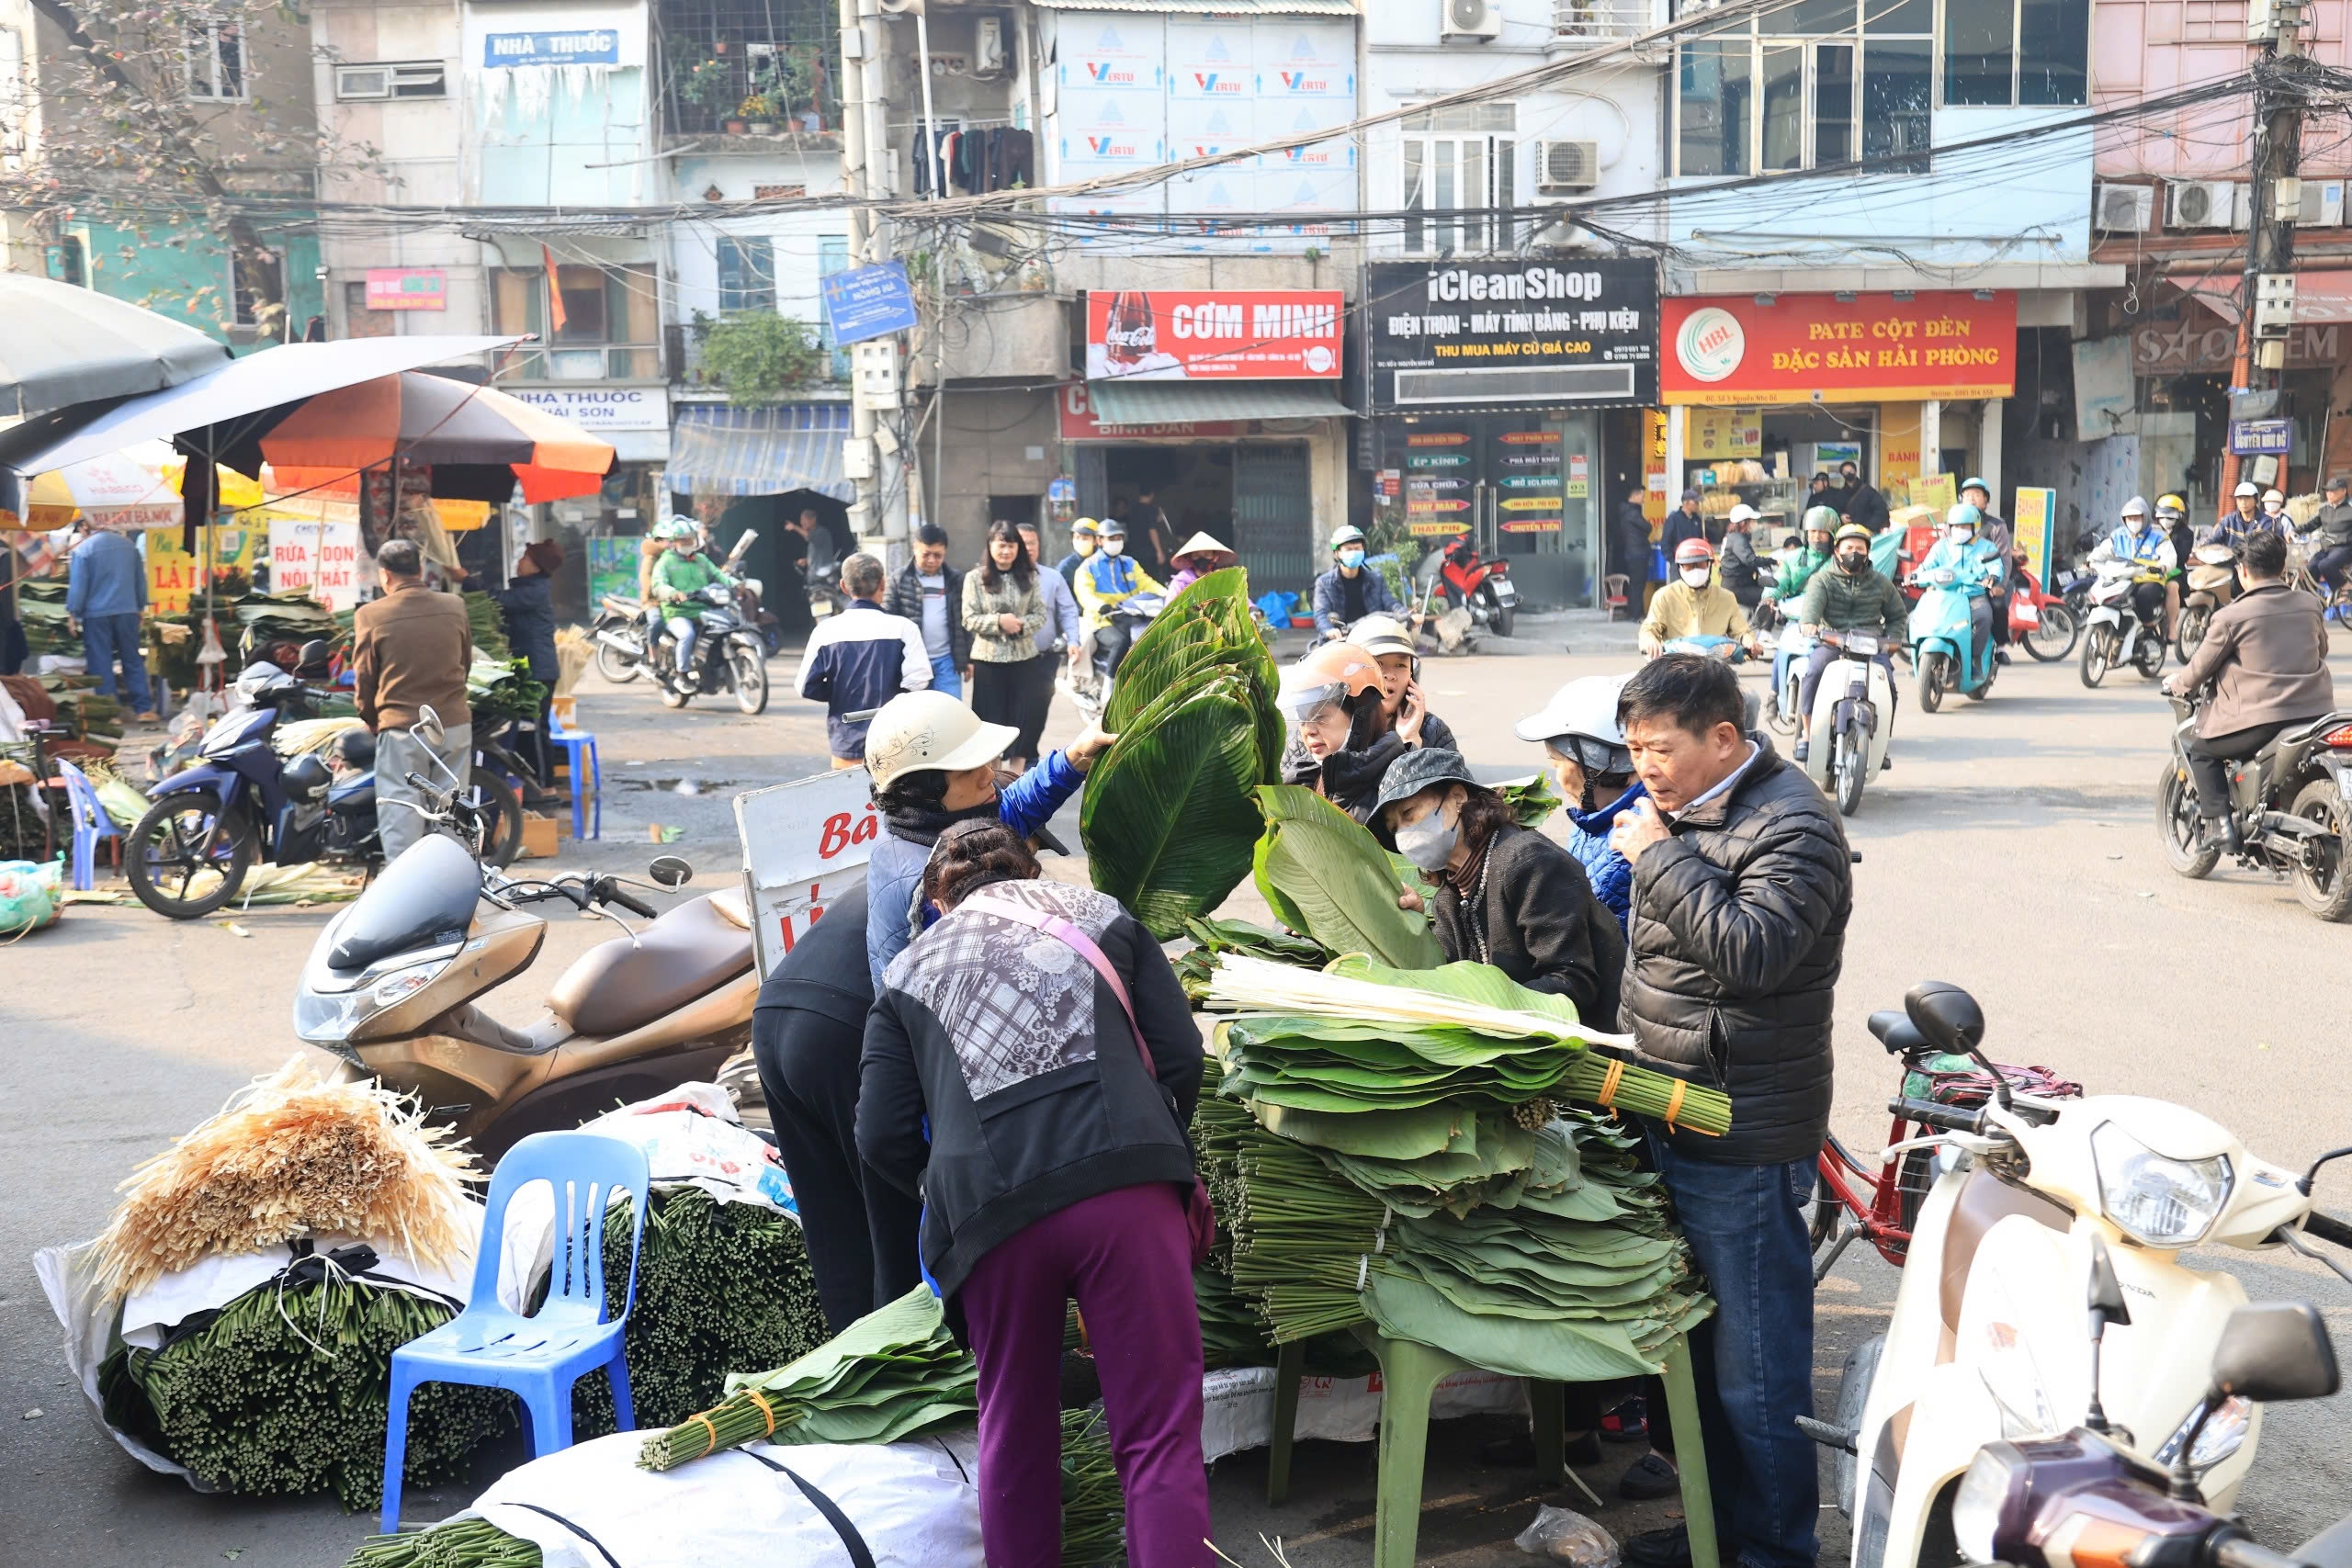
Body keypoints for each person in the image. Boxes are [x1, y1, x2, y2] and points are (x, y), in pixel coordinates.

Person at [858, 820, 1211, 1568]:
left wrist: (942, 1183)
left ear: (938, 900)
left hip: (992, 1216)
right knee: (1157, 1436)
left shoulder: (909, 971)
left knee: (1014, 1431)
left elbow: (880, 1134)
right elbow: (1182, 1056)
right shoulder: (1104, 915)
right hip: (1126, 1187)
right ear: (1029, 870)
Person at [1604, 653, 1851, 1568]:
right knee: (1697, 1360)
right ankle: (1716, 1529)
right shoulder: (1689, 806)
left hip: (1739, 1130)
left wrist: (1658, 856)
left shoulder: (1794, 823)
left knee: (1756, 1374)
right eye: (1633, 749)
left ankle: (1777, 1551)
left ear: (1722, 738)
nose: (1643, 768)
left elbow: (1752, 955)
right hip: (1665, 1110)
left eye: (1657, 748)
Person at [860, 689, 1114, 990]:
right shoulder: (929, 887)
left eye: (985, 761)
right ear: (924, 791)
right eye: (968, 770)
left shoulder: (948, 822)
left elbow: (1016, 805)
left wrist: (1077, 755)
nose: (987, 776)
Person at [751, 885, 921, 1333]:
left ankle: (851, 1369)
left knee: (831, 1219)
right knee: (895, 1221)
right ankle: (901, 1365)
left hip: (774, 1012)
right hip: (845, 1028)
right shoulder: (980, 886)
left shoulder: (904, 858)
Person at [1376, 749, 1623, 1021]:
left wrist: (1487, 1015)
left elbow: (1572, 981)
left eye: (1408, 813)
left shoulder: (1528, 861)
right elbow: (1445, 978)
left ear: (1458, 797)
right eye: (1395, 828)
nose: (1404, 833)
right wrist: (1413, 926)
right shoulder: (1449, 898)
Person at [2162, 530, 2337, 852]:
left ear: (2242, 571)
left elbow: (2199, 668)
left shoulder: (2231, 616)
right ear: (2282, 566)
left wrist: (2178, 683)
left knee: (2200, 750)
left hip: (2262, 722)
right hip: (2318, 716)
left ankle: (2223, 827)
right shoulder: (2310, 604)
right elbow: (2320, 651)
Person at [353, 538, 473, 863]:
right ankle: (451, 884)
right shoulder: (454, 606)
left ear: (385, 575)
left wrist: (369, 716)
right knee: (452, 806)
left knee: (401, 807)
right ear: (420, 569)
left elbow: (364, 677)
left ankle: (407, 891)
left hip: (403, 727)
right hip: (453, 723)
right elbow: (466, 661)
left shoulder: (371, 615)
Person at [1515, 675, 1643, 931]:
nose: (1556, 776)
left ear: (1595, 762)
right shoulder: (1593, 819)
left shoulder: (1639, 832)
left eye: (1557, 762)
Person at [794, 552, 931, 767]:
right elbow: (918, 681)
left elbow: (805, 687)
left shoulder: (825, 631)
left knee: (847, 799)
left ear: (843, 586)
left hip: (845, 742)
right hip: (895, 744)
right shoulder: (904, 628)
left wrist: (838, 693)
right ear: (883, 584)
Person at [1792, 524, 1908, 766]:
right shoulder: (1822, 580)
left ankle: (1881, 742)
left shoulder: (1881, 583)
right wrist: (1810, 625)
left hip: (1871, 645)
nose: (1854, 552)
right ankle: (1807, 731)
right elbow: (1811, 610)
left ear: (1868, 552)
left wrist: (1893, 638)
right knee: (1813, 671)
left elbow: (1898, 615)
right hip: (1833, 640)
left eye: (1860, 548)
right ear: (1837, 551)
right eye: (1849, 547)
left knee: (1887, 684)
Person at [1276, 640, 1401, 822]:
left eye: (1320, 716)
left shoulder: (1396, 786)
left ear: (1360, 717)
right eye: (1304, 719)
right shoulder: (1299, 779)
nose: (1308, 730)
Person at [963, 522, 1047, 759]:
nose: (1006, 551)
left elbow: (1040, 614)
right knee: (990, 722)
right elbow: (969, 618)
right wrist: (999, 622)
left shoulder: (1029, 577)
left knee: (1023, 718)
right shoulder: (974, 579)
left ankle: (1016, 776)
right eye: (1001, 545)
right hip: (988, 661)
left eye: (1011, 546)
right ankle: (993, 776)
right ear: (990, 546)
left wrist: (1019, 626)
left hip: (1024, 658)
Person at [482, 540, 562, 788]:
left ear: (537, 567)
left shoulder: (535, 590)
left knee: (536, 729)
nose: (519, 562)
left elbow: (503, 600)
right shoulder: (531, 587)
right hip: (531, 667)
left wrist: (467, 581)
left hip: (538, 670)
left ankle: (544, 785)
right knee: (527, 729)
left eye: (525, 558)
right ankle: (531, 782)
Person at [65, 522, 158, 721]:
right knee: (132, 658)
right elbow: (140, 580)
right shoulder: (128, 546)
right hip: (127, 610)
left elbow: (78, 586)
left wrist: (73, 613)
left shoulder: (84, 549)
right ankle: (143, 710)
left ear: (84, 527)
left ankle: (110, 712)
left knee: (101, 662)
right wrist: (140, 607)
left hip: (96, 614)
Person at [1016, 520, 1083, 769]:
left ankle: (1029, 758)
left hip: (1044, 658)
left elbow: (1068, 610)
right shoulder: (1003, 580)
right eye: (1022, 544)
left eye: (1032, 543)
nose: (1028, 548)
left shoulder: (1053, 577)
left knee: (1038, 710)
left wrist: (1073, 640)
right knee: (1014, 711)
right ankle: (1013, 762)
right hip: (1013, 660)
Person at [1074, 518, 1166, 680]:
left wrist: (1168, 594)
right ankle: (1110, 685)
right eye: (1111, 538)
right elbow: (1085, 594)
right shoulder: (1088, 567)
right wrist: (1102, 606)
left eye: (1119, 538)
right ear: (1099, 540)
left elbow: (1147, 583)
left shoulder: (1130, 563)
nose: (1116, 542)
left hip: (1130, 614)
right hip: (1103, 619)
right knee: (1120, 641)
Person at [1351, 613, 1455, 753]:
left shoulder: (1433, 731)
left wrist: (1411, 741)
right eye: (1378, 663)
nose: (1390, 675)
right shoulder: (1331, 727)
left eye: (1400, 665)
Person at [1917, 504, 2004, 672]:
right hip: (1943, 595)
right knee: (1917, 618)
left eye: (1964, 526)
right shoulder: (1941, 547)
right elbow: (1926, 567)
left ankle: (1972, 658)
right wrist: (1914, 575)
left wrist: (1992, 577)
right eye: (1956, 526)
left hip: (1973, 596)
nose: (1960, 530)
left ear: (1975, 527)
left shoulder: (1986, 547)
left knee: (1984, 617)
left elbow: (1995, 565)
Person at [888, 524, 969, 701]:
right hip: (912, 662)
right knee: (920, 719)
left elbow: (964, 621)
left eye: (938, 555)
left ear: (945, 552)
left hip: (947, 661)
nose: (932, 560)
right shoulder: (898, 580)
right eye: (926, 554)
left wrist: (968, 659)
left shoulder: (955, 580)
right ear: (915, 549)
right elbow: (888, 622)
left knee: (951, 712)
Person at [649, 517, 726, 695]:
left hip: (702, 610)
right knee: (687, 635)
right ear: (674, 542)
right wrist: (673, 594)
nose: (687, 543)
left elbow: (718, 576)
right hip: (677, 613)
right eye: (683, 540)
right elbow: (659, 585)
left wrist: (736, 584)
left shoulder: (701, 559)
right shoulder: (665, 562)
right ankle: (682, 673)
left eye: (690, 539)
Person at [1639, 539, 1750, 659]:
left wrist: (1750, 643)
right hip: (1676, 666)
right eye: (1688, 566)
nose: (1695, 570)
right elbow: (1649, 629)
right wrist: (1651, 641)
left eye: (1701, 565)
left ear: (1710, 565)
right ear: (1679, 568)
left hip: (1715, 666)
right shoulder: (1664, 596)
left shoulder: (1726, 597)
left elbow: (1741, 631)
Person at [2095, 497, 2178, 640]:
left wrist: (2162, 566)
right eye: (2129, 518)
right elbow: (2102, 551)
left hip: (2149, 579)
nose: (2133, 521)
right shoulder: (2118, 535)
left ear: (2144, 517)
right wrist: (2090, 561)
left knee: (2143, 597)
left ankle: (2149, 631)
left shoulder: (2158, 536)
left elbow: (2169, 557)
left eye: (2136, 517)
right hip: (2122, 578)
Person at [1311, 525, 1402, 637]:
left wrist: (1405, 614)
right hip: (1340, 640)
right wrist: (1328, 630)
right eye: (1348, 549)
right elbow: (1321, 614)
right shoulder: (1324, 583)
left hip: (1373, 638)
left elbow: (1391, 603)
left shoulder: (1376, 580)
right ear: (1336, 553)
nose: (1354, 552)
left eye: (1357, 549)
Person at [1959, 478, 2017, 646]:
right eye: (1967, 494)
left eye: (1977, 494)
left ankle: (1999, 647)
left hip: (1985, 582)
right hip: (1957, 582)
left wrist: (1999, 584)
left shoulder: (1996, 526)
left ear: (1986, 501)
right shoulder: (1952, 524)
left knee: (1997, 606)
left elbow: (2004, 559)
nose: (1971, 498)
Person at [2302, 474, 2352, 595]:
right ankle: (2312, 599)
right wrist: (2294, 531)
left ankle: (2345, 587)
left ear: (2343, 491)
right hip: (2326, 549)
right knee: (2310, 568)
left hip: (2344, 548)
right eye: (2328, 491)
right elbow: (2311, 525)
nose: (2329, 494)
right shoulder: (2324, 509)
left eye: (2333, 491)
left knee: (2325, 565)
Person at [1611, 486, 1656, 606]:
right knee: (1638, 584)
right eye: (1642, 496)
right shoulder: (1632, 513)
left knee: (1636, 584)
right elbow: (1648, 527)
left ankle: (1634, 612)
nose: (1644, 499)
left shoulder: (1627, 511)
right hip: (1637, 553)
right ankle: (1635, 614)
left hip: (1633, 552)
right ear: (1635, 496)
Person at [1717, 504, 1765, 608]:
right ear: (1744, 523)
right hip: (1738, 588)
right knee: (1769, 595)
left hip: (1736, 585)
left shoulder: (1733, 537)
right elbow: (1750, 560)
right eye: (1752, 521)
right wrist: (1772, 561)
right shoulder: (1738, 539)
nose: (1754, 524)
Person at [1125, 484, 1177, 580]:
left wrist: (1157, 519)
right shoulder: (1151, 509)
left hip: (1134, 550)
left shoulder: (1132, 509)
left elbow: (1141, 524)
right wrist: (1159, 552)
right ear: (1152, 495)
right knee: (1151, 578)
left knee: (1138, 578)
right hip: (1148, 552)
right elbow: (1151, 530)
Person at [1164, 531, 1238, 595]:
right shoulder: (1180, 582)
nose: (1202, 559)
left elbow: (1245, 606)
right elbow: (1169, 609)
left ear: (1215, 557)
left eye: (1207, 555)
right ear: (1190, 559)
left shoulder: (1225, 581)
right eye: (1196, 556)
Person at [1838, 459, 1890, 534]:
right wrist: (1841, 516)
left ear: (1856, 472)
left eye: (1851, 470)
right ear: (1842, 474)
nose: (1849, 473)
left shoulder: (1868, 491)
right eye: (1846, 472)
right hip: (1848, 533)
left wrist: (1870, 528)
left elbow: (1881, 510)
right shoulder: (1841, 494)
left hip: (1867, 533)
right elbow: (1836, 510)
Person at [1660, 490, 1706, 558]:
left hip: (1696, 559)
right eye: (1695, 502)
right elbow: (1665, 541)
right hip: (1679, 560)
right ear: (1686, 502)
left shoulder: (1697, 519)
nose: (1698, 504)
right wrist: (1672, 560)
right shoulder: (1674, 519)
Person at [1056, 518, 1100, 588]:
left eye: (1085, 538)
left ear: (1095, 541)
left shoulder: (1102, 563)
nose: (1080, 541)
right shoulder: (1066, 567)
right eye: (1077, 537)